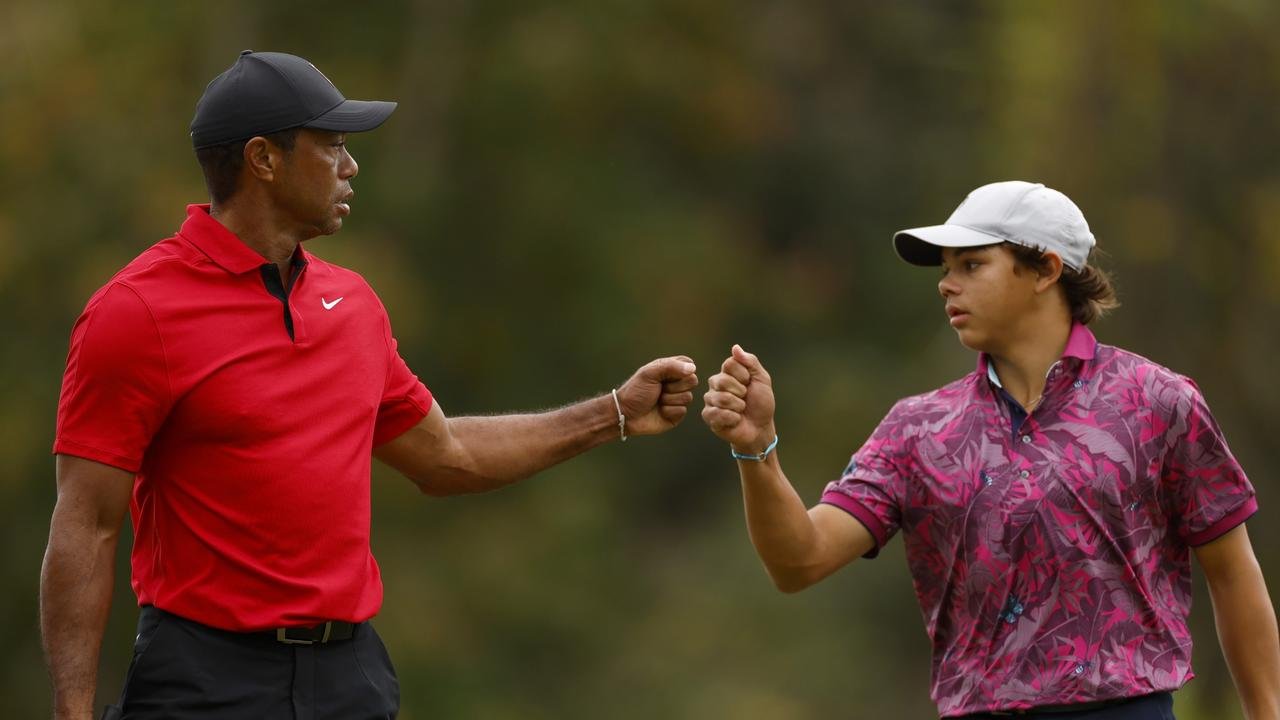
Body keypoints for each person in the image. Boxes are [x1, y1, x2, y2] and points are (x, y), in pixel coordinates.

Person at [41, 50, 699, 720]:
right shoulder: (136, 312)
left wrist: (613, 413)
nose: (351, 167)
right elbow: (86, 525)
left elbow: (448, 458)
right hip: (206, 681)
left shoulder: (353, 305)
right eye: (330, 147)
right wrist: (73, 711)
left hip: (349, 680)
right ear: (263, 159)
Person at [701, 181, 1280, 719]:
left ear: (1045, 269)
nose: (946, 284)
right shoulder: (917, 429)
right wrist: (758, 451)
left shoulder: (1157, 401)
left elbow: (1232, 574)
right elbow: (799, 561)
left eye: (972, 265)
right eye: (947, 269)